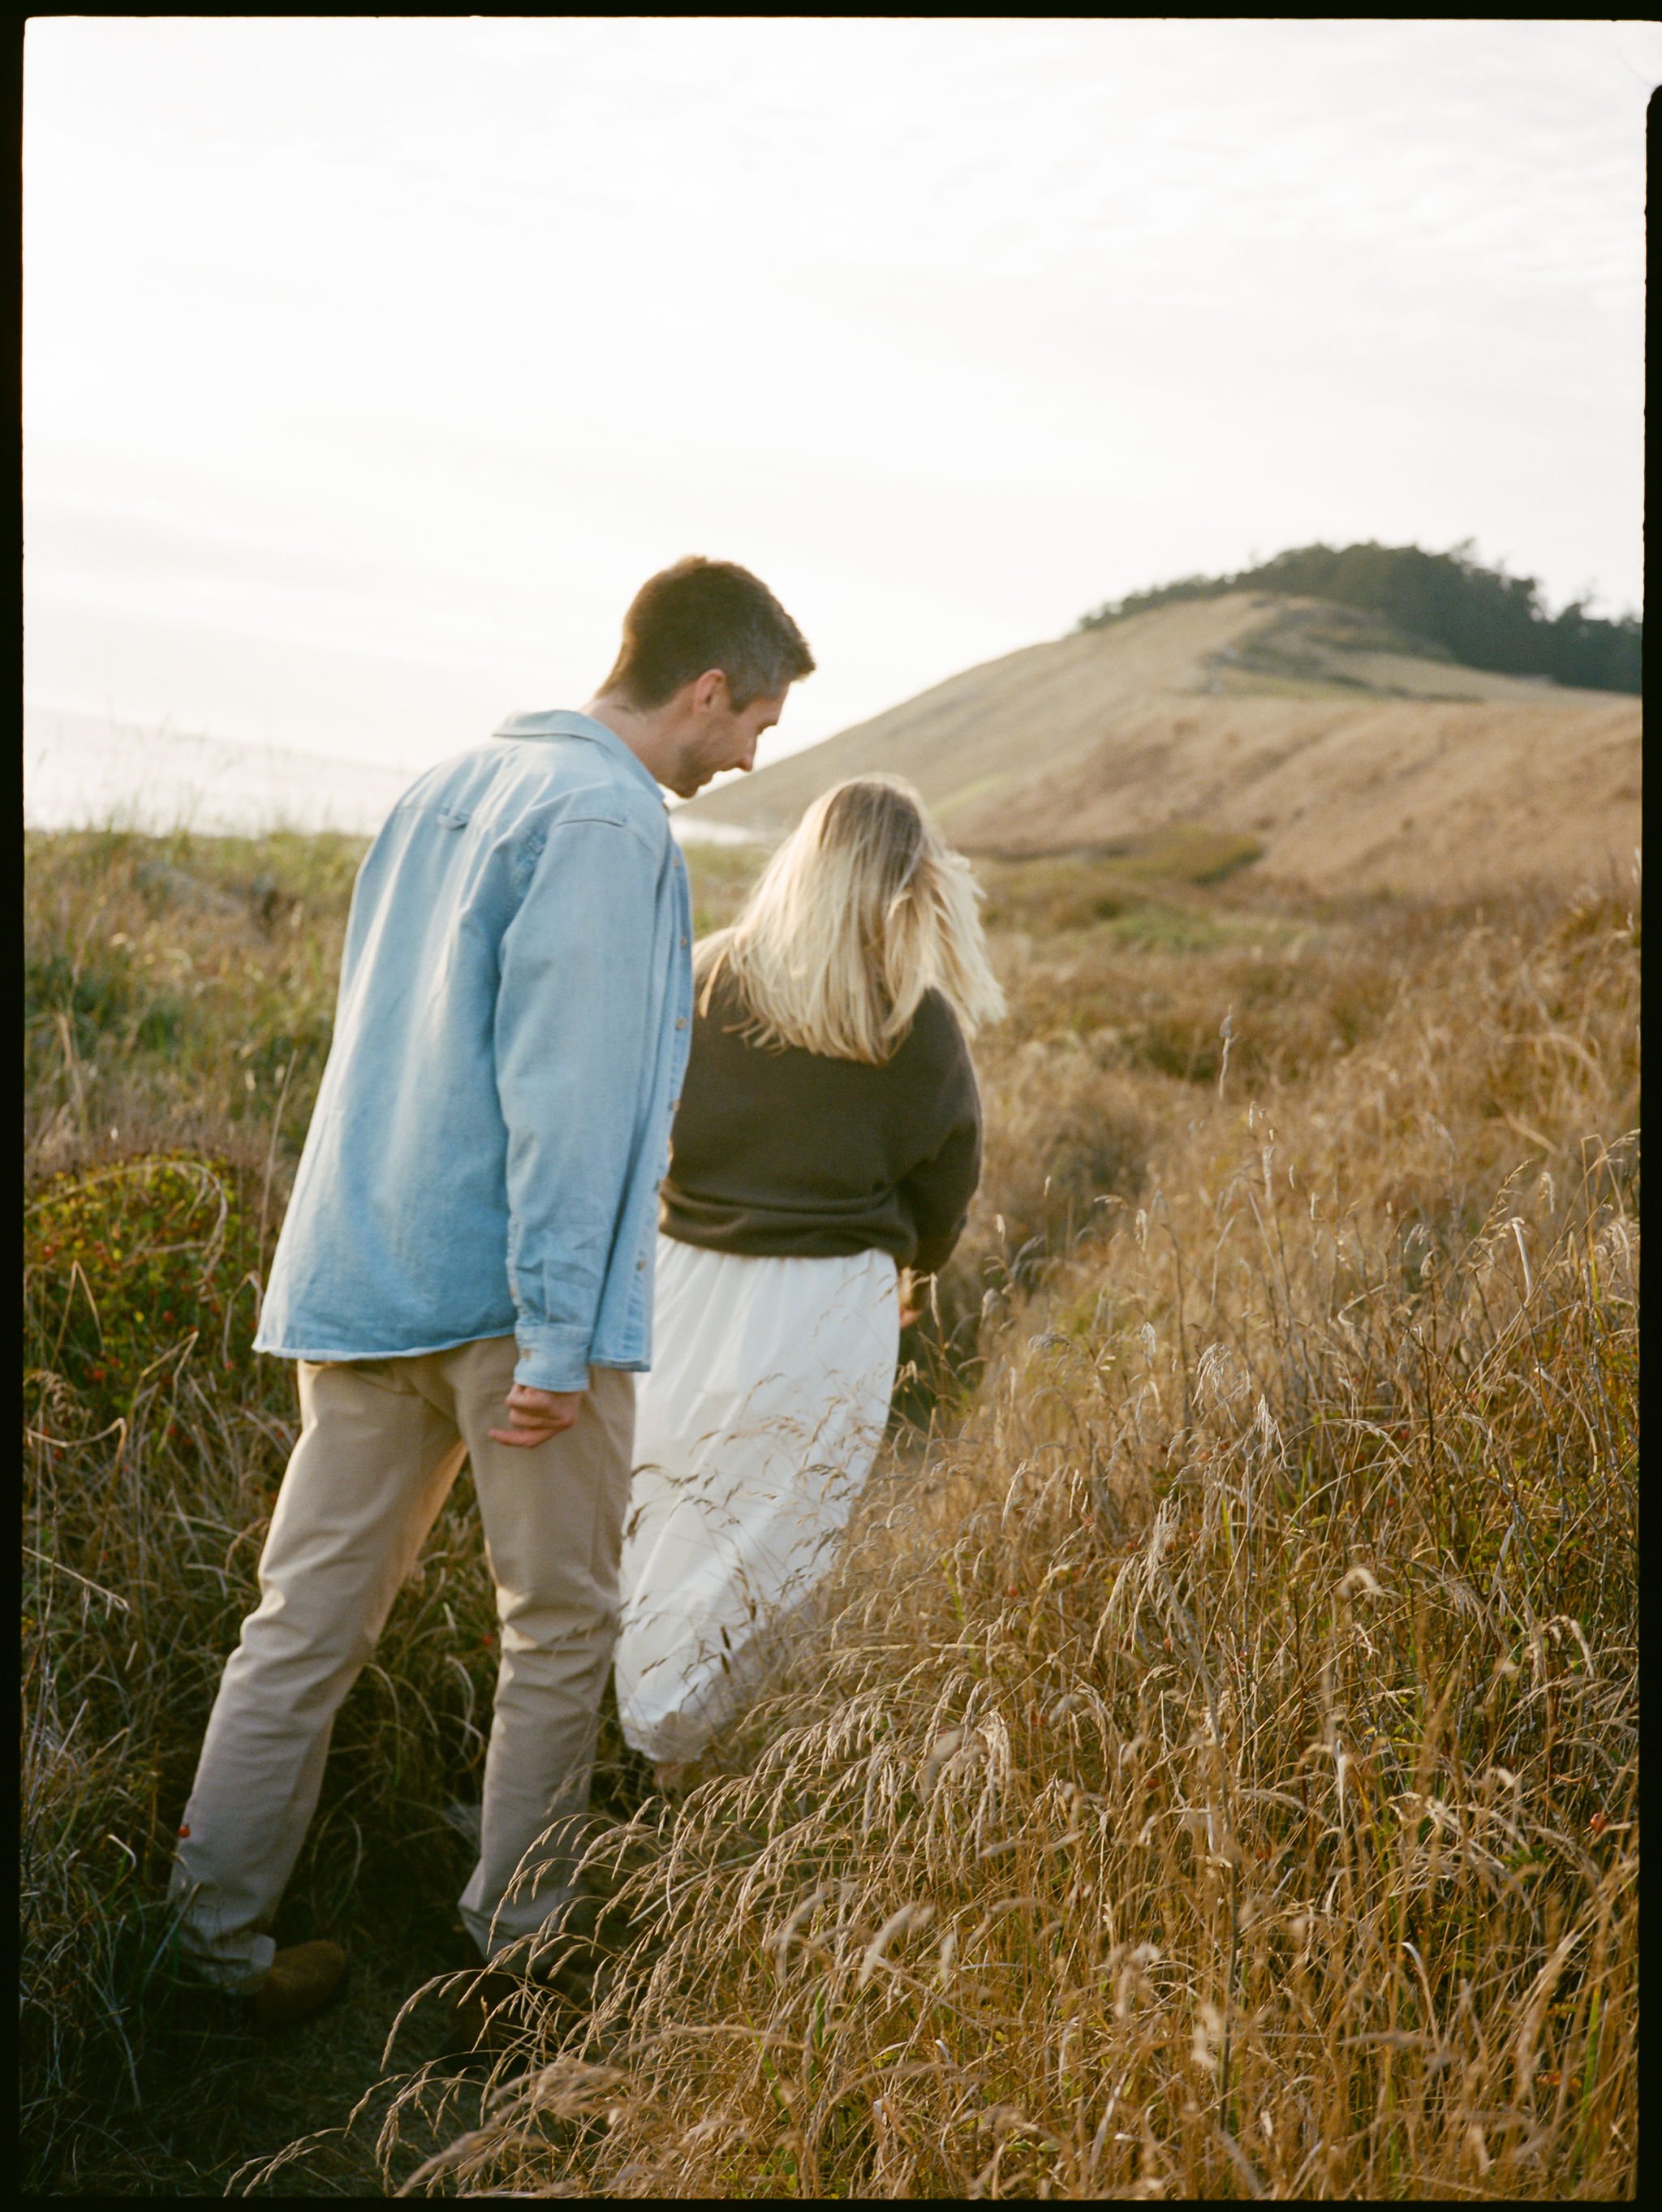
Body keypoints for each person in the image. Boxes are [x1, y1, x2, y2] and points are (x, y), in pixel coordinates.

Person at [167, 557, 813, 2031]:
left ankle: (208, 1951)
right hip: (509, 1316)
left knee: (295, 1628)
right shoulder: (601, 819)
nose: (749, 756)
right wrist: (556, 1332)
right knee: (558, 1628)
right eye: (756, 724)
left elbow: (381, 1039)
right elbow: (567, 1101)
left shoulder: (446, 782)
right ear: (706, 687)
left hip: (361, 1275)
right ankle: (519, 1962)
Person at [613, 774, 1004, 1792]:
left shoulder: (705, 977)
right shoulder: (910, 1023)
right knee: (770, 1543)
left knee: (656, 1503)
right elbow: (948, 1178)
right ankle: (688, 1777)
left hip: (686, 1285)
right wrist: (914, 1267)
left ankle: (597, 1746)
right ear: (906, 886)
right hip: (828, 1307)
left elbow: (644, 1130)